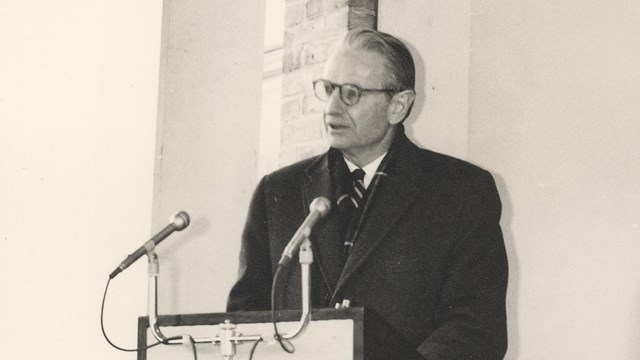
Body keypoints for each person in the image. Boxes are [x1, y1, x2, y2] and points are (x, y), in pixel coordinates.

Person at [227, 28, 508, 359]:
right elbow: (245, 316)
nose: (331, 108)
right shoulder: (278, 192)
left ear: (398, 106)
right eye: (328, 89)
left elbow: (476, 328)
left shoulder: (461, 191)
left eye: (351, 93)